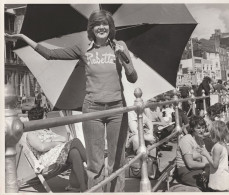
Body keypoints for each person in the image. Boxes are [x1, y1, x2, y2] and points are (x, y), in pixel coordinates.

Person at [6, 10, 138, 192]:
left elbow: (132, 78)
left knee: (117, 161)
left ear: (110, 27)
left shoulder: (120, 46)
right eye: (97, 24)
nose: (101, 27)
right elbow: (50, 54)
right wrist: (24, 38)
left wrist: (123, 57)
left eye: (105, 24)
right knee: (95, 164)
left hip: (117, 108)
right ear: (91, 28)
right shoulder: (84, 48)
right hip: (92, 109)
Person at [26, 104, 87, 192]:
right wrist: (55, 142)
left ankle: (83, 187)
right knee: (75, 141)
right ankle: (92, 169)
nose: (46, 118)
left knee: (74, 152)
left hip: (57, 153)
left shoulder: (46, 130)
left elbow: (64, 139)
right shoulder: (31, 134)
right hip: (46, 158)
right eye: (45, 116)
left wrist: (50, 141)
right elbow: (41, 147)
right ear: (40, 119)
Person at [176, 115, 209, 191]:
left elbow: (205, 156)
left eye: (203, 127)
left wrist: (207, 169)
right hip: (186, 171)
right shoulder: (186, 140)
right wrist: (207, 165)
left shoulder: (199, 139)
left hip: (198, 168)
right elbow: (190, 164)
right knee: (210, 182)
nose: (202, 130)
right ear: (192, 129)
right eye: (198, 128)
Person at [200, 121, 229, 192]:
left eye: (210, 132)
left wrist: (206, 154)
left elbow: (215, 165)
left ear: (215, 133)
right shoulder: (222, 144)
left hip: (218, 179)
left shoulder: (217, 147)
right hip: (223, 177)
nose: (209, 134)